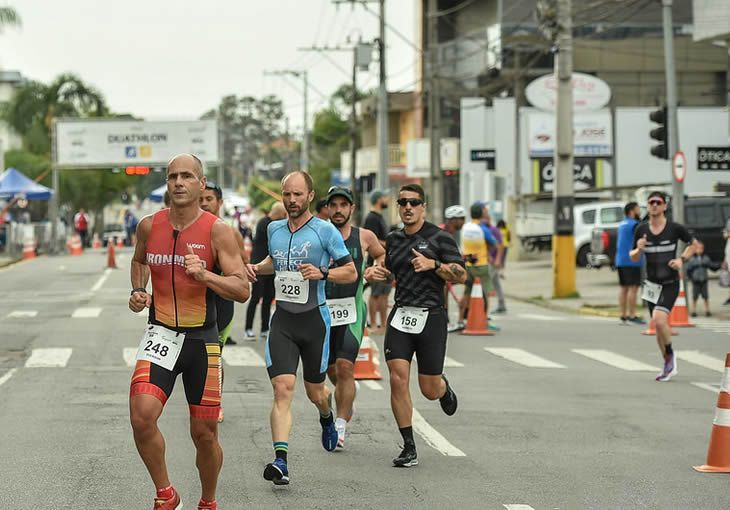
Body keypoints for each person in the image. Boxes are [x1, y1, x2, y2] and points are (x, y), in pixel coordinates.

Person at [128, 153, 249, 510]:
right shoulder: (150, 226)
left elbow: (242, 289)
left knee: (204, 434)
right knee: (141, 416)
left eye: (186, 176)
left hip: (202, 342)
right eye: (172, 177)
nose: (178, 183)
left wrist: (205, 275)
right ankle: (166, 494)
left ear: (201, 183)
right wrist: (138, 290)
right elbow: (139, 260)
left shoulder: (218, 231)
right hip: (161, 335)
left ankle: (208, 501)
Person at [244, 171, 357, 486]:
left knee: (315, 392)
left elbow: (350, 272)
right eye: (287, 194)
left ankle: (326, 415)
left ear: (310, 196)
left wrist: (322, 273)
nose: (291, 200)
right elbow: (274, 261)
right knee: (282, 389)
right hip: (283, 320)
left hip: (314, 320)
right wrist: (256, 268)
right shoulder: (274, 228)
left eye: (298, 194)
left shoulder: (325, 231)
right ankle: (281, 461)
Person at [366, 183, 466, 468]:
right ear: (398, 206)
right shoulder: (394, 239)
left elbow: (461, 275)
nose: (408, 207)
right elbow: (390, 274)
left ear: (424, 207)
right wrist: (377, 274)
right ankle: (408, 446)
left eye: (414, 202)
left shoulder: (440, 238)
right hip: (401, 315)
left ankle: (443, 388)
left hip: (431, 317)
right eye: (403, 202)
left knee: (428, 389)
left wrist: (434, 265)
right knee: (397, 378)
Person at [324, 186, 385, 448]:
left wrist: (374, 268)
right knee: (330, 370)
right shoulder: (317, 233)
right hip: (322, 311)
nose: (338, 210)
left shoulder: (365, 237)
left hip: (351, 311)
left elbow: (381, 254)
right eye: (334, 205)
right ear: (328, 208)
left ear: (352, 209)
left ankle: (340, 426)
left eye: (343, 205)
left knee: (346, 367)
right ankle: (346, 395)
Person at [630, 191, 696, 382]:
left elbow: (693, 245)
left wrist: (681, 260)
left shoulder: (674, 228)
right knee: (659, 327)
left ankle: (670, 355)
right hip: (651, 285)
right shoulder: (641, 230)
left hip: (670, 283)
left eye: (658, 202)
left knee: (660, 320)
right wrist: (639, 248)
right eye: (651, 202)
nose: (655, 206)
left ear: (665, 206)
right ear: (647, 206)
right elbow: (633, 256)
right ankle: (667, 360)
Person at [199, 182, 250, 422]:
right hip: (196, 301)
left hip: (222, 301)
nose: (204, 203)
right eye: (201, 199)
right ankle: (200, 397)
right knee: (197, 357)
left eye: (209, 199)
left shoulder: (231, 232)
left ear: (220, 202)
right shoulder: (192, 230)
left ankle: (215, 402)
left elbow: (244, 267)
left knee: (214, 354)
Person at [244, 202, 287, 339]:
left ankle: (264, 329)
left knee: (268, 299)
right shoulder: (265, 224)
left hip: (271, 268)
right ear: (279, 213)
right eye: (284, 215)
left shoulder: (272, 224)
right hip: (259, 267)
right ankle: (248, 329)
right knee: (255, 298)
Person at [460, 203, 497, 329]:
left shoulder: (465, 227)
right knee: (485, 293)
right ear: (481, 213)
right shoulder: (483, 228)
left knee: (467, 293)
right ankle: (484, 319)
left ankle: (460, 319)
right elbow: (494, 242)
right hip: (481, 265)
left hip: (468, 265)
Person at [363, 189, 391, 333]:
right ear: (379, 199)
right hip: (375, 261)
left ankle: (384, 324)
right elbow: (371, 240)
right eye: (385, 197)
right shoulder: (372, 218)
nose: (388, 200)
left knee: (385, 294)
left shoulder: (380, 217)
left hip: (385, 261)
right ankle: (374, 324)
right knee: (376, 293)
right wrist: (389, 243)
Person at [615, 202, 645, 325]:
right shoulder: (635, 225)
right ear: (632, 211)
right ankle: (632, 315)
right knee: (633, 288)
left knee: (623, 288)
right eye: (638, 209)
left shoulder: (622, 224)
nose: (639, 211)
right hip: (632, 260)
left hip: (620, 260)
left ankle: (623, 315)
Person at [441, 205, 466, 330]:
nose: (463, 221)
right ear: (453, 220)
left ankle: (447, 320)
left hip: (444, 268)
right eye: (461, 218)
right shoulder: (443, 232)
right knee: (443, 291)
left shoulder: (450, 233)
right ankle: (444, 321)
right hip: (437, 269)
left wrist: (466, 258)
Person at [480, 204, 506, 314]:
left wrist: (498, 260)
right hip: (488, 260)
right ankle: (501, 304)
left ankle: (483, 307)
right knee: (496, 283)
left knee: (485, 283)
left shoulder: (493, 230)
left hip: (492, 261)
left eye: (486, 218)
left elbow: (500, 245)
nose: (484, 220)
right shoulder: (482, 229)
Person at [686, 240, 720, 317]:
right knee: (695, 296)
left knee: (705, 296)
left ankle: (707, 310)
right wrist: (691, 278)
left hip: (704, 280)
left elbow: (712, 266)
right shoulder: (692, 259)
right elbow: (688, 270)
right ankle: (694, 310)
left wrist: (719, 266)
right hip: (696, 281)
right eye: (697, 248)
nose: (699, 250)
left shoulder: (705, 258)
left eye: (701, 248)